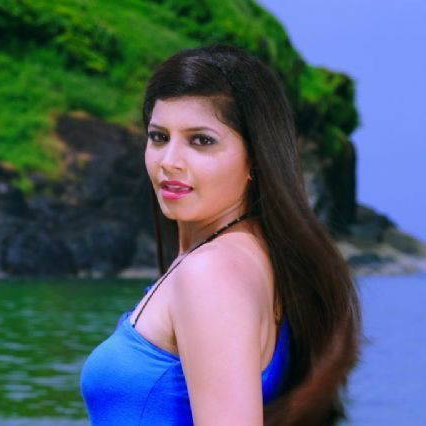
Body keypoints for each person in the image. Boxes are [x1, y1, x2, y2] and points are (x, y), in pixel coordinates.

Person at [79, 43, 363, 425]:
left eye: (201, 140)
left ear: (255, 157)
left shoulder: (211, 273)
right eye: (159, 137)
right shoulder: (254, 255)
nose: (169, 161)